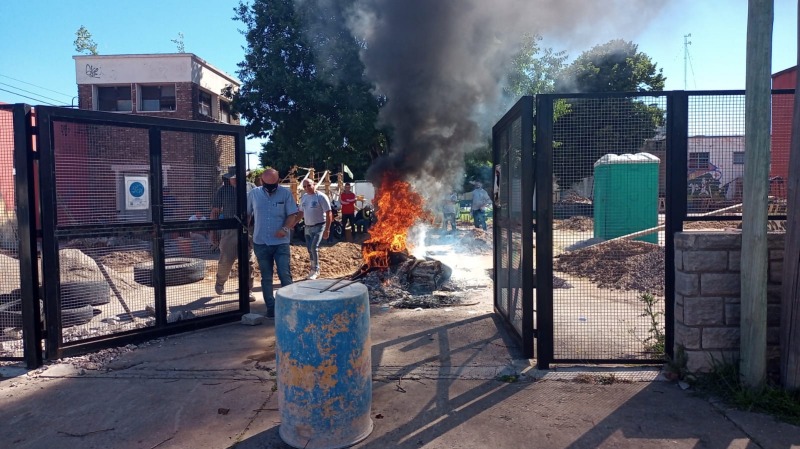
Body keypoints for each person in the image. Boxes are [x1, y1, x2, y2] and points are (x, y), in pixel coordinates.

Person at [248, 168, 299, 318]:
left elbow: (292, 215)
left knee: (284, 274)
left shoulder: (285, 194)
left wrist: (285, 228)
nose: (270, 188)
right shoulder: (254, 194)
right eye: (267, 184)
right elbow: (247, 214)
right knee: (266, 276)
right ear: (262, 181)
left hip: (281, 242)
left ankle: (290, 306)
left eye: (273, 184)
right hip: (261, 242)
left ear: (278, 180)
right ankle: (271, 308)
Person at [211, 172, 256, 302]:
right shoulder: (223, 190)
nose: (234, 180)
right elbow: (214, 211)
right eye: (232, 178)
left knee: (249, 261)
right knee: (226, 260)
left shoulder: (252, 187)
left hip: (248, 230)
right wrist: (213, 232)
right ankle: (220, 282)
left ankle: (247, 290)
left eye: (237, 177)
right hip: (229, 230)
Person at [297, 179, 332, 280]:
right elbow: (300, 212)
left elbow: (329, 213)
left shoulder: (321, 197)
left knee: (313, 247)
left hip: (319, 226)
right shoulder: (304, 197)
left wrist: (327, 229)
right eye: (304, 187)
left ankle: (315, 270)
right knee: (309, 249)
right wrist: (293, 223)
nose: (307, 188)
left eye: (309, 185)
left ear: (314, 185)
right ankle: (313, 269)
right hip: (307, 226)